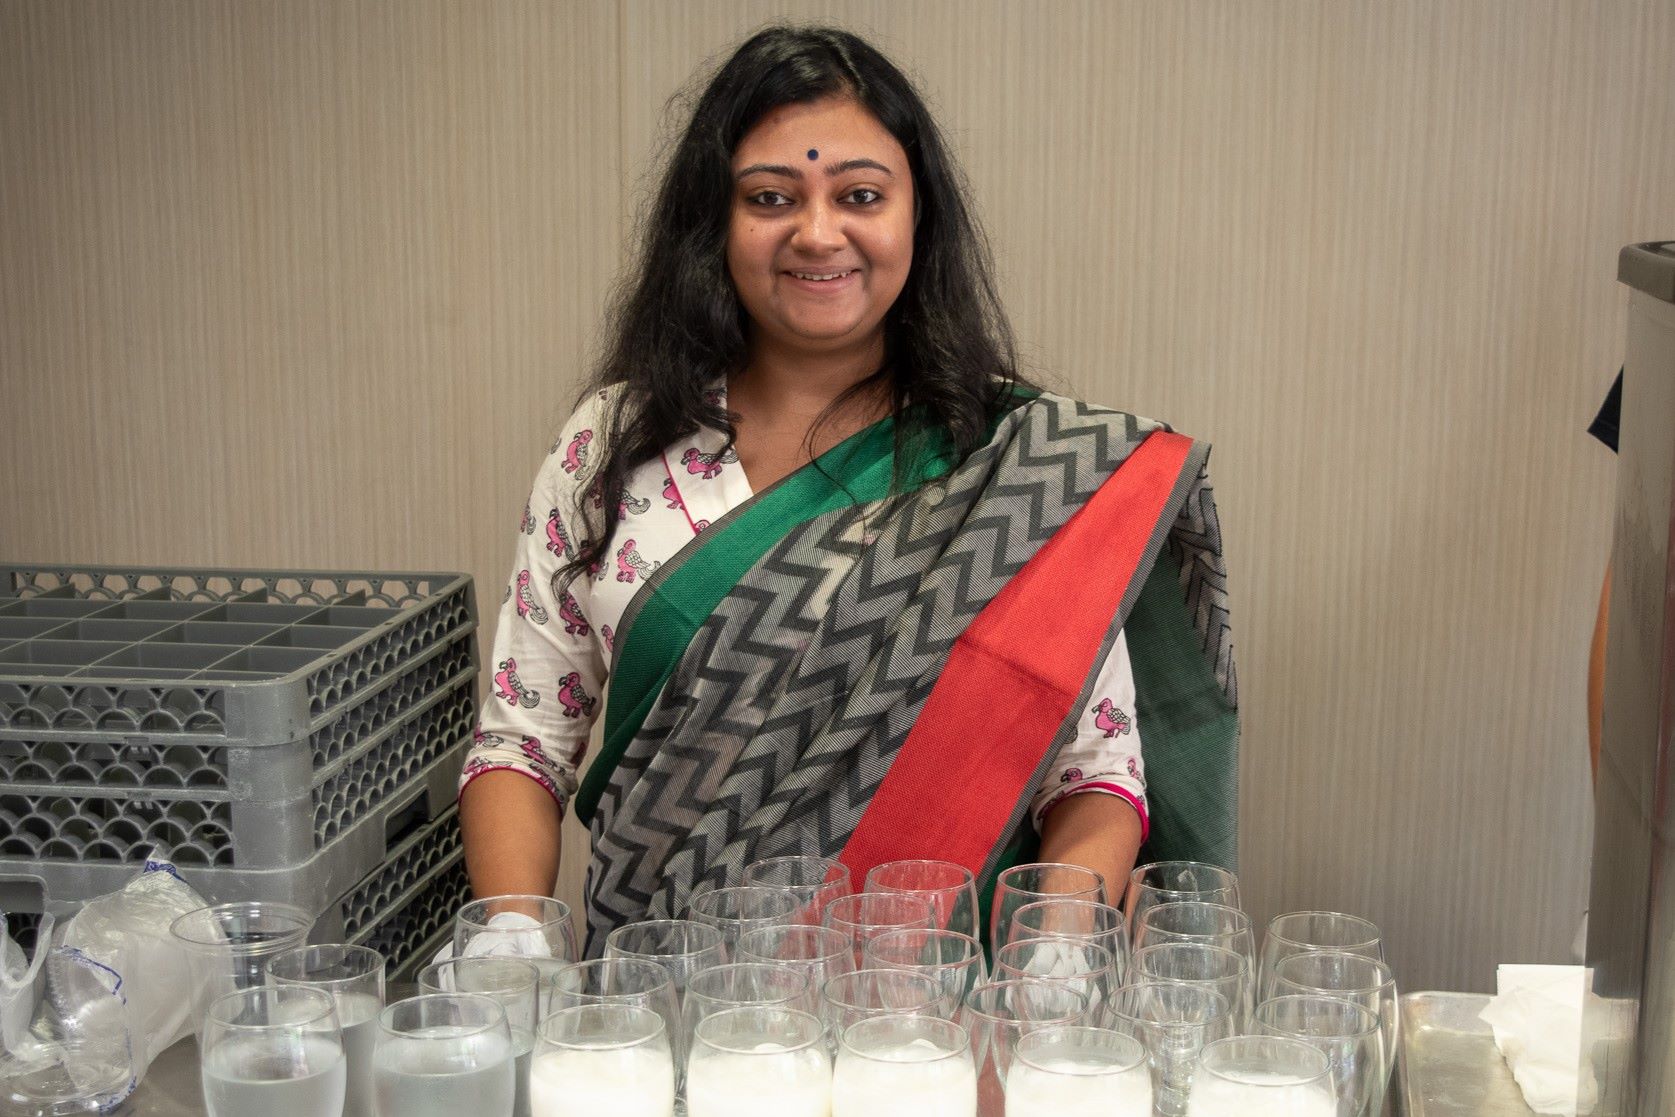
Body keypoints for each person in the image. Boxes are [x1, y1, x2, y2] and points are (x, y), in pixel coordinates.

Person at [457, 25, 1238, 951]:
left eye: (859, 194)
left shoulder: (1021, 468)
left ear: (918, 217)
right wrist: (511, 937)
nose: (817, 232)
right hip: (665, 1007)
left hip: (926, 1022)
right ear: (714, 224)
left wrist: (1055, 950)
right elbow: (522, 745)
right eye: (770, 197)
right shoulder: (614, 447)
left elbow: (1094, 774)